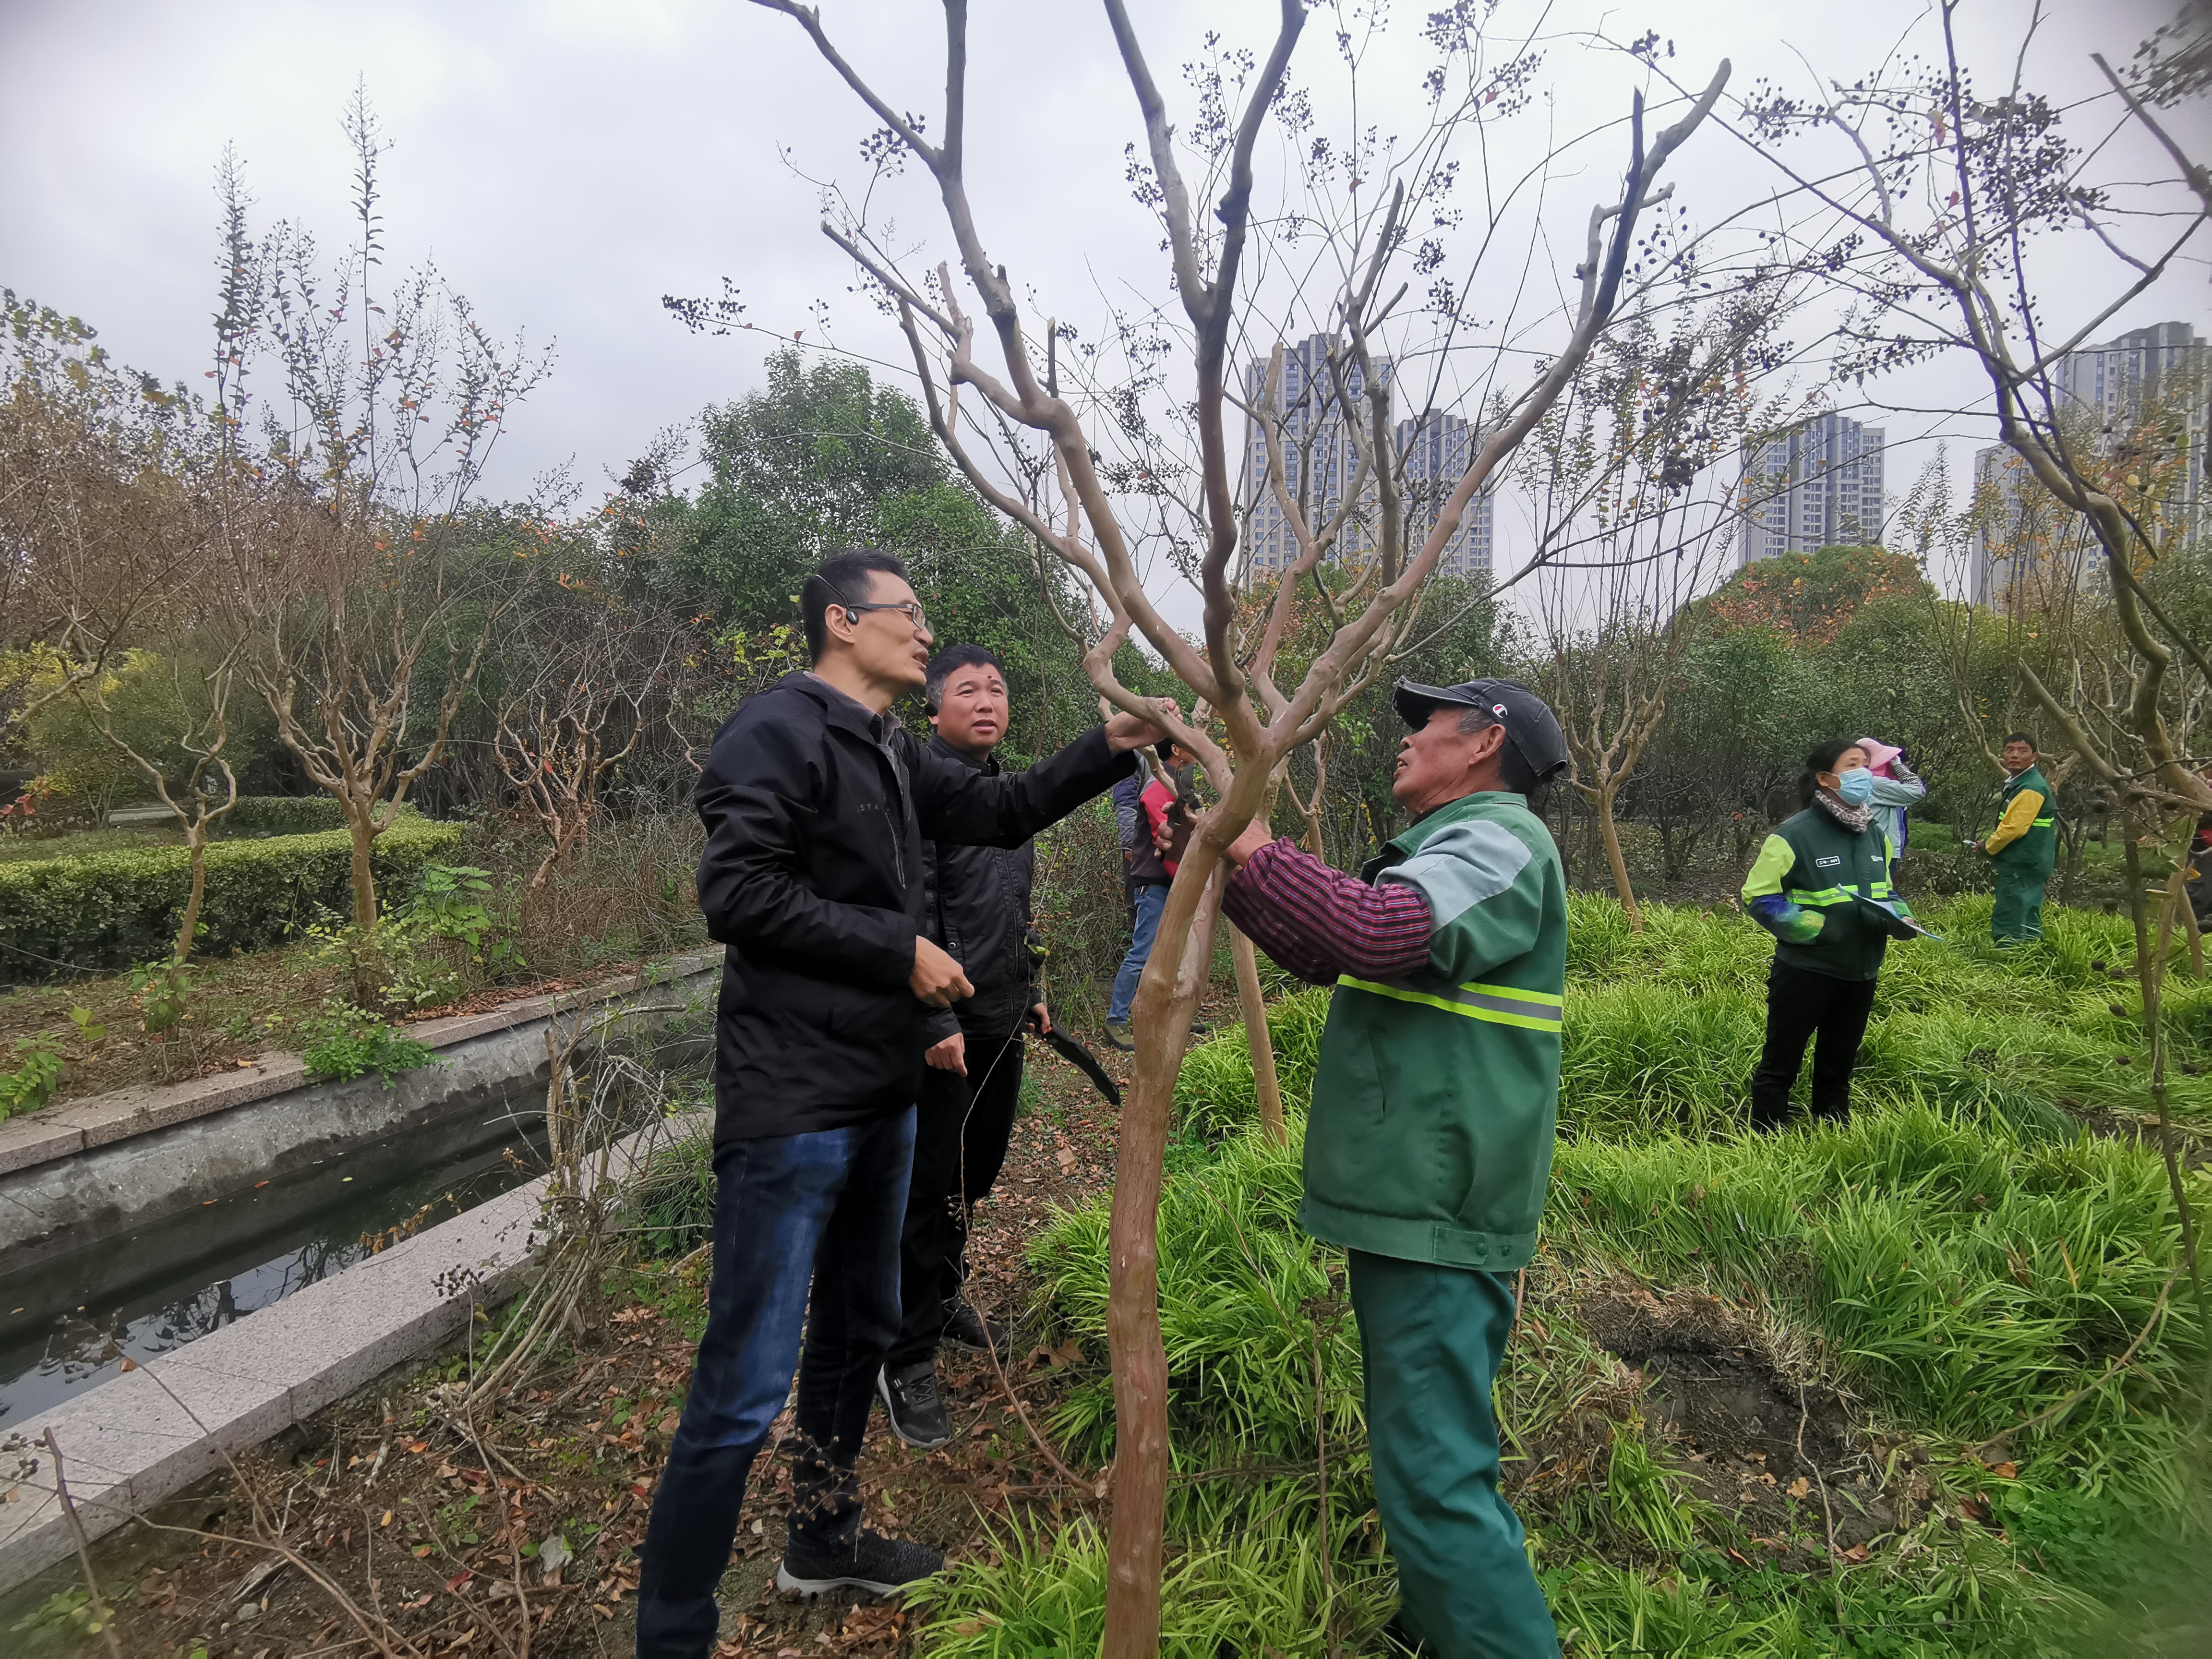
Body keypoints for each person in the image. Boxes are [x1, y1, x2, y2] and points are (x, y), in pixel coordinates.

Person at [634, 550, 1164, 1659]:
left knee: (856, 1329)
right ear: (842, 621)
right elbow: (737, 891)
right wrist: (900, 948)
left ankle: (822, 1537)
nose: (927, 633)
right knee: (744, 1383)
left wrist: (1109, 744)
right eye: (908, 614)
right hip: (795, 1102)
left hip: (881, 1094)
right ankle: (671, 1632)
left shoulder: (887, 745)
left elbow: (1004, 810)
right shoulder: (775, 731)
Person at [1218, 677, 1572, 1659]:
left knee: (1434, 1475)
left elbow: (1374, 931)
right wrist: (1226, 855)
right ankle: (1437, 1631)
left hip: (1439, 1195)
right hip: (1421, 1187)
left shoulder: (1499, 839)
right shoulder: (1452, 843)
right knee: (1424, 1453)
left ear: (1485, 742)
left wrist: (1254, 844)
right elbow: (1329, 950)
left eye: (1428, 723)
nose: (1407, 739)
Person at [877, 644, 1042, 1450]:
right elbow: (914, 914)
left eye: (997, 689)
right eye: (968, 689)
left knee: (972, 1178)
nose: (986, 701)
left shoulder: (1003, 793)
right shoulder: (920, 790)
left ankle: (940, 1300)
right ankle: (902, 1355)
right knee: (925, 1188)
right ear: (933, 707)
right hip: (946, 1030)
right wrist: (933, 1021)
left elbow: (1013, 905)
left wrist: (1031, 987)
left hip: (1001, 1019)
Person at [1740, 739, 1922, 1130]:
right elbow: (1759, 896)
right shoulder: (1794, 835)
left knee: (1839, 1065)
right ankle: (1767, 1134)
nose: (1864, 774)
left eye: (1866, 766)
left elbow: (1886, 891)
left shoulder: (1875, 834)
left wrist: (1902, 918)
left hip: (1862, 968)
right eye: (1852, 765)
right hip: (1806, 969)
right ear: (1825, 779)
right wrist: (1813, 928)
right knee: (1781, 1062)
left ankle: (1833, 1131)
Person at [1103, 737, 1202, 1052]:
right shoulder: (1160, 785)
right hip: (1157, 882)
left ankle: (1170, 1013)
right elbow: (1170, 840)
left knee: (1174, 953)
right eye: (1189, 742)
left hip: (1174, 882)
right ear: (1176, 750)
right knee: (1142, 953)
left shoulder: (1182, 784)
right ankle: (1116, 1020)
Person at [1968, 733, 2056, 945]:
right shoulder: (2022, 782)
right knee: (2028, 912)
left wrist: (1987, 848)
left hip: (2022, 862)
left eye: (2023, 751)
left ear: (2034, 757)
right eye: (2010, 750)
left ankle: (2008, 955)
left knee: (2011, 912)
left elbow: (2013, 829)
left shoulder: (2031, 788)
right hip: (2032, 860)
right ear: (2003, 754)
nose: (2015, 755)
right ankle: (2031, 953)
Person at [1857, 738, 1926, 869]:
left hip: (1868, 849)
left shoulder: (1858, 782)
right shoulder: (1876, 783)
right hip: (1881, 851)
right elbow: (1918, 791)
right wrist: (1899, 767)